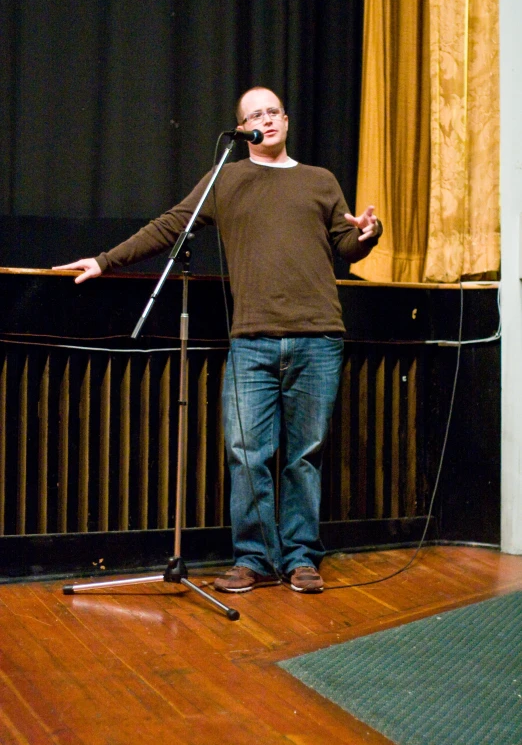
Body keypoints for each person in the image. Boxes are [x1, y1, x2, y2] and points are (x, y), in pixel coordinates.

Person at [54, 86, 381, 594]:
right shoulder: (225, 178)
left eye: (272, 112)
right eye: (255, 115)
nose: (266, 120)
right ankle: (254, 557)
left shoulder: (320, 181)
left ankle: (300, 558)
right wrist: (104, 260)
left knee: (303, 456)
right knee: (246, 452)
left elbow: (346, 247)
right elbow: (170, 226)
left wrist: (367, 233)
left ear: (287, 121)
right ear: (244, 127)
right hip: (251, 340)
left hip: (318, 337)